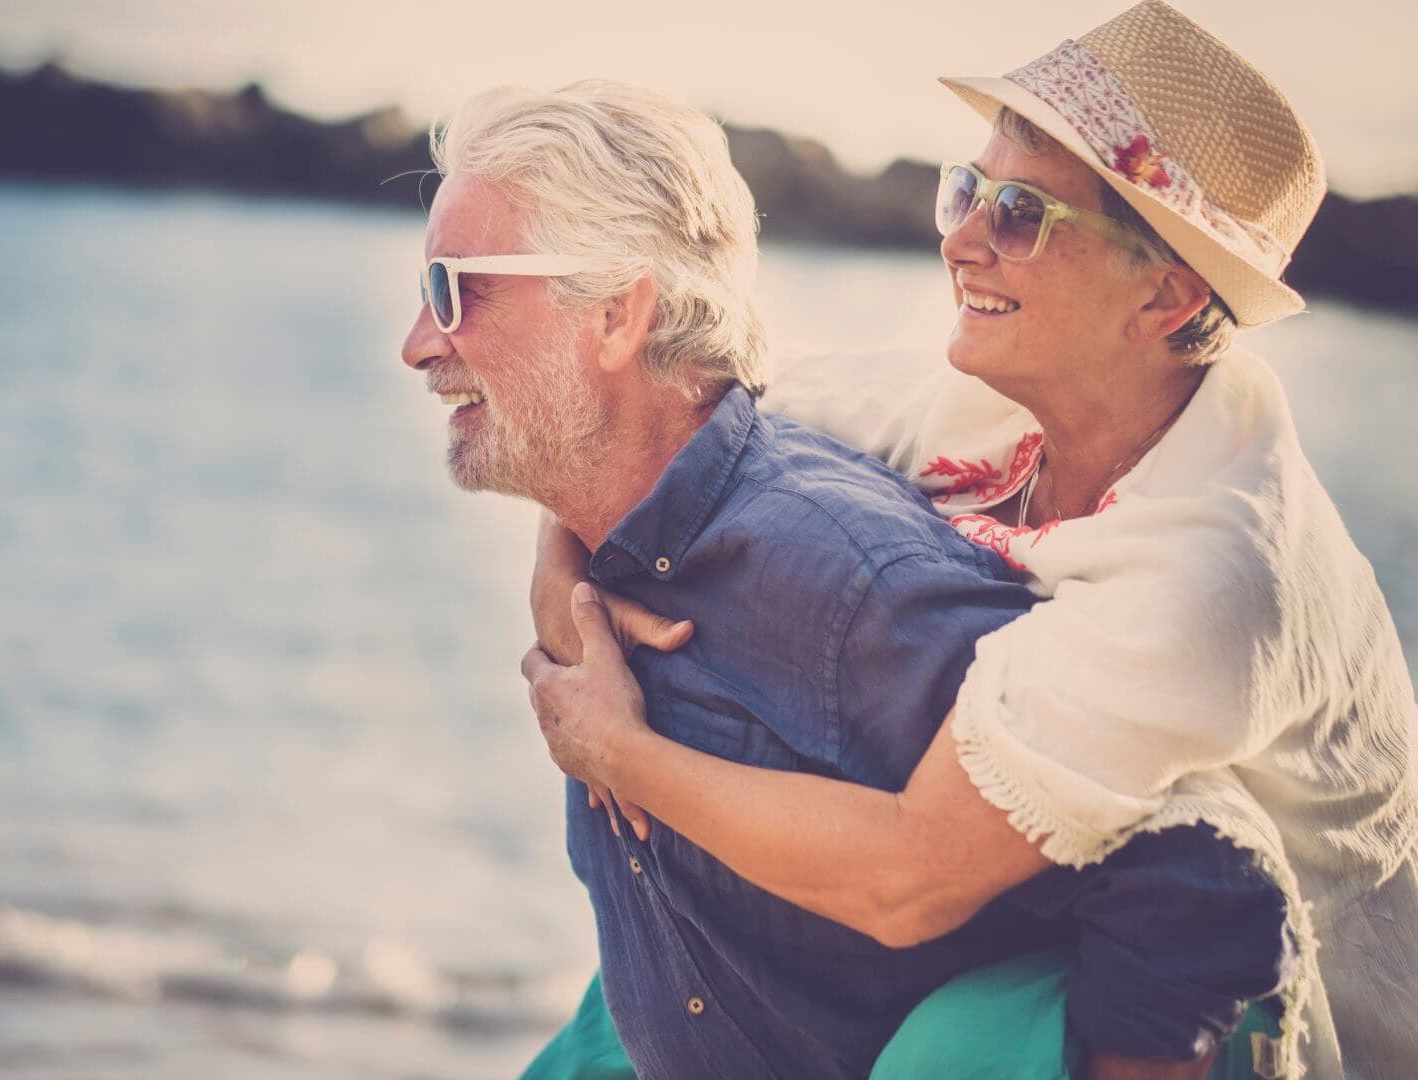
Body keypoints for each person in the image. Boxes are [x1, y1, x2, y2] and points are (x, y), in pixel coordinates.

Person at [521, 3, 1418, 1078]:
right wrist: (563, 583)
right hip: (1038, 895)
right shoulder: (995, 395)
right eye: (970, 187)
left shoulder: (1208, 580)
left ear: (1169, 294)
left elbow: (910, 878)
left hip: (1235, 1021)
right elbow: (667, 417)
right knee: (622, 1016)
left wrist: (612, 748)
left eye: (1024, 214)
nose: (959, 238)